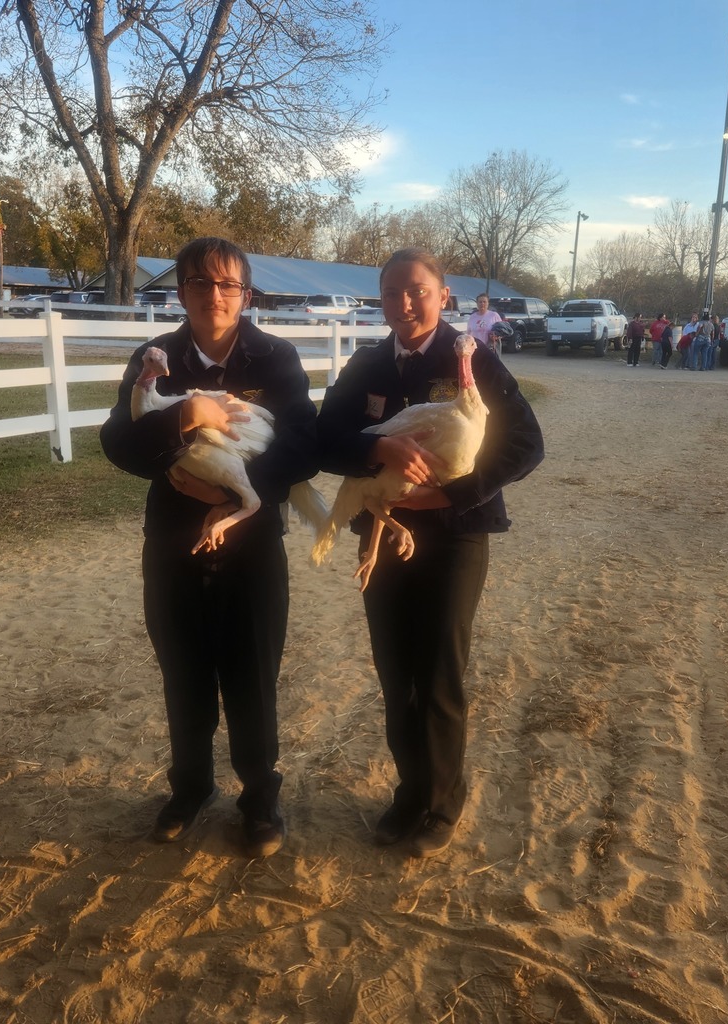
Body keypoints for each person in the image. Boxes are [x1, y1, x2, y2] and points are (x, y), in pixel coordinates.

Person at [316, 247, 544, 859]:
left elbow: (526, 443)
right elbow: (320, 439)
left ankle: (443, 803)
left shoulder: (472, 361)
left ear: (444, 295)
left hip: (456, 536)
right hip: (384, 535)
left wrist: (450, 494)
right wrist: (375, 452)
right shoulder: (368, 367)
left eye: (418, 290)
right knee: (397, 673)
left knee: (439, 672)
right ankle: (410, 794)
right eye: (392, 293)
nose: (405, 303)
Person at [99, 237, 319, 856]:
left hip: (252, 546)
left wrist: (233, 498)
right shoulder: (156, 356)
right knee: (184, 671)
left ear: (245, 293)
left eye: (227, 285)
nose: (214, 296)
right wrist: (187, 415)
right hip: (171, 542)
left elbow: (302, 446)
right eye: (200, 283)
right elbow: (119, 441)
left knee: (253, 674)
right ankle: (190, 787)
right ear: (182, 291)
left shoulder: (274, 358)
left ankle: (260, 798)